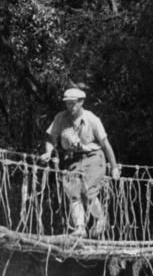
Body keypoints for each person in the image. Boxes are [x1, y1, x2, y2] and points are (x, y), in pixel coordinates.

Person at [39, 85, 120, 237]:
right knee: (74, 194)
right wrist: (48, 152)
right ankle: (80, 228)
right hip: (73, 160)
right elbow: (51, 138)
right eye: (67, 103)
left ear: (81, 102)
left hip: (94, 158)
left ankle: (100, 219)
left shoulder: (92, 119)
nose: (70, 107)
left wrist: (114, 167)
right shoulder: (60, 118)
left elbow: (105, 144)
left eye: (73, 103)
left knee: (88, 192)